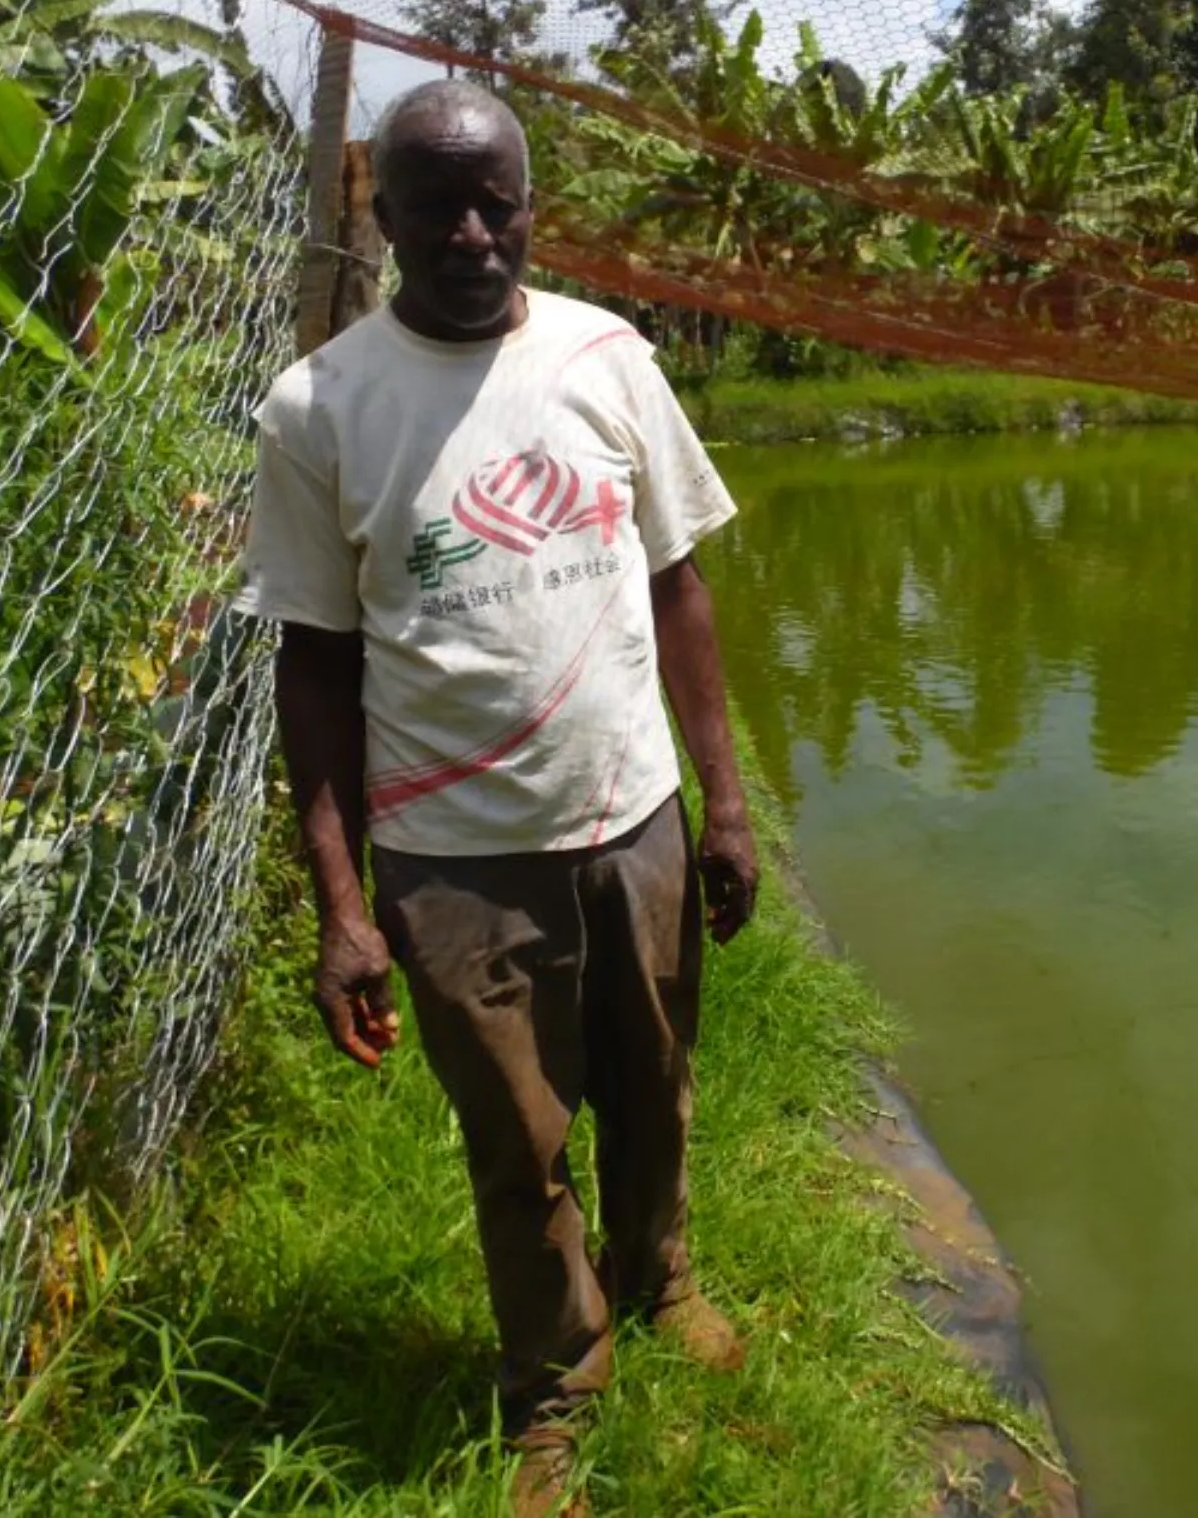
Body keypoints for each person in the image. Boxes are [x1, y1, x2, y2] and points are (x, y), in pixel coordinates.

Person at [241, 78, 760, 1518]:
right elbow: (316, 666)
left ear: (534, 207)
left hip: (632, 814)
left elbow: (679, 588)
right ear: (384, 217)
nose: (472, 233)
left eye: (500, 203)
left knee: (654, 1083)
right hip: (454, 857)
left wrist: (721, 805)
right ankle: (551, 1390)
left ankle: (662, 1276)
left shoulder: (610, 357)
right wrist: (342, 906)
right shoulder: (320, 409)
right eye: (436, 207)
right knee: (518, 1141)